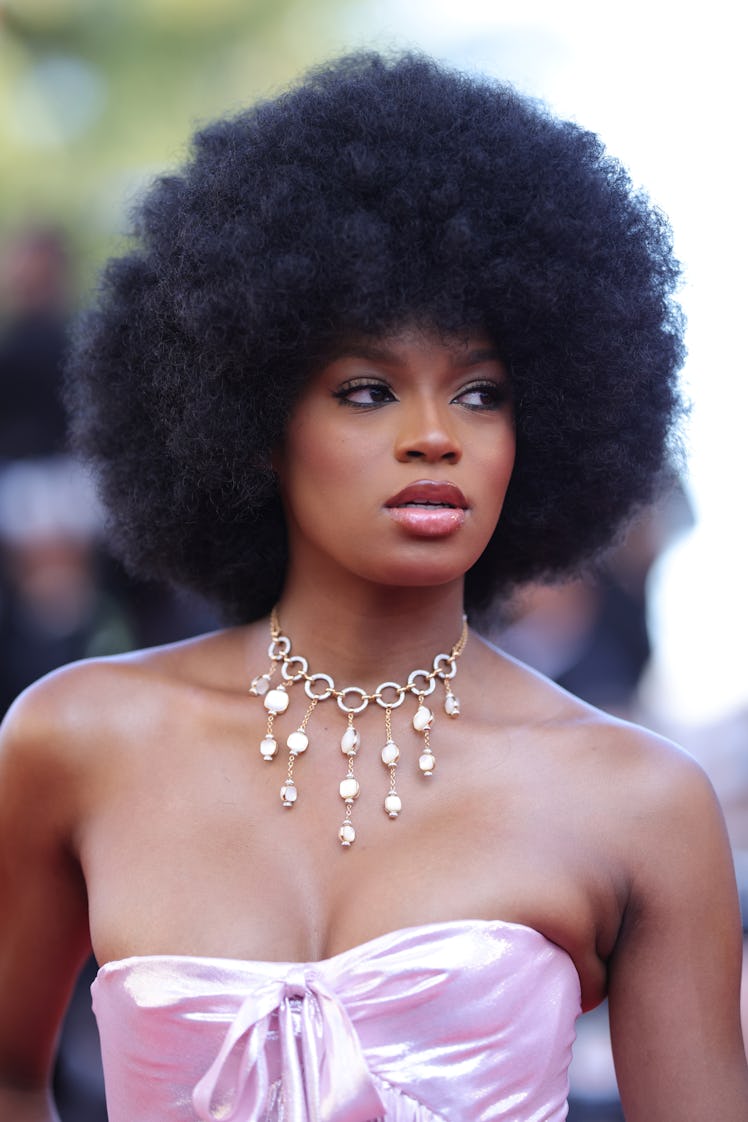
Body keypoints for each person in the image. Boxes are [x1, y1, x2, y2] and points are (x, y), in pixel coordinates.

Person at [0, 51, 745, 1122]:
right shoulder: (76, 741)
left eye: (481, 392)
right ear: (251, 418)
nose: (433, 437)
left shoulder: (640, 804)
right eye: (366, 389)